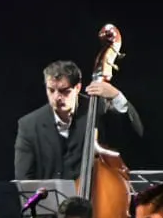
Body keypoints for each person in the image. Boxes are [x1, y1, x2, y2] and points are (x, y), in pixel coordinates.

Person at [14, 58, 143, 183]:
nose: (57, 97)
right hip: (51, 202)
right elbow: (24, 178)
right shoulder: (29, 125)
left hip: (94, 199)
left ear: (78, 87)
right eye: (51, 90)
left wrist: (117, 97)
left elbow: (134, 135)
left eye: (65, 91)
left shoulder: (98, 110)